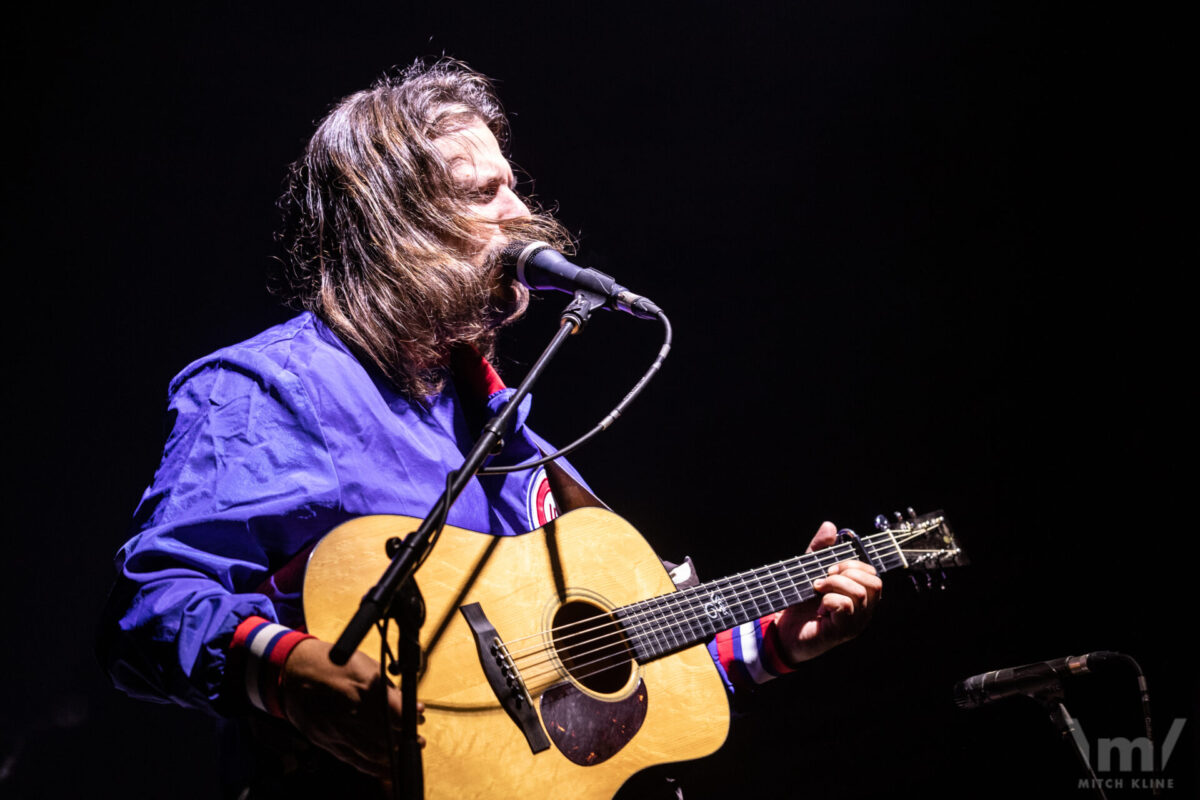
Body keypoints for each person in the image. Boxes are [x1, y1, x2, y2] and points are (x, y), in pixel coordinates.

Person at [98, 58, 882, 797]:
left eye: (512, 186)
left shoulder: (515, 441)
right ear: (393, 225)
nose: (522, 215)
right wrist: (284, 667)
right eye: (482, 194)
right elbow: (152, 606)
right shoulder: (274, 388)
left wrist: (775, 641)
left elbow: (597, 691)